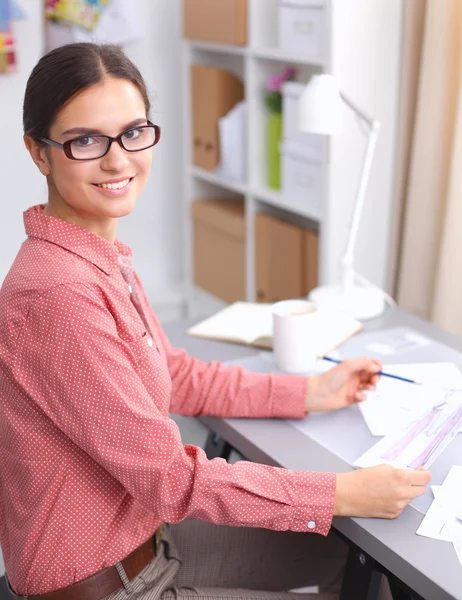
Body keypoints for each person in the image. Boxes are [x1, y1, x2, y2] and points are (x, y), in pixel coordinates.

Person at [0, 43, 431, 600]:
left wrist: (310, 391)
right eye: (86, 141)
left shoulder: (95, 257)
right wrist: (339, 494)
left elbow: (173, 374)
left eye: (133, 132)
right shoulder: (58, 295)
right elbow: (172, 479)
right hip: (115, 585)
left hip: (149, 539)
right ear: (40, 153)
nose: (118, 160)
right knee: (351, 549)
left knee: (339, 552)